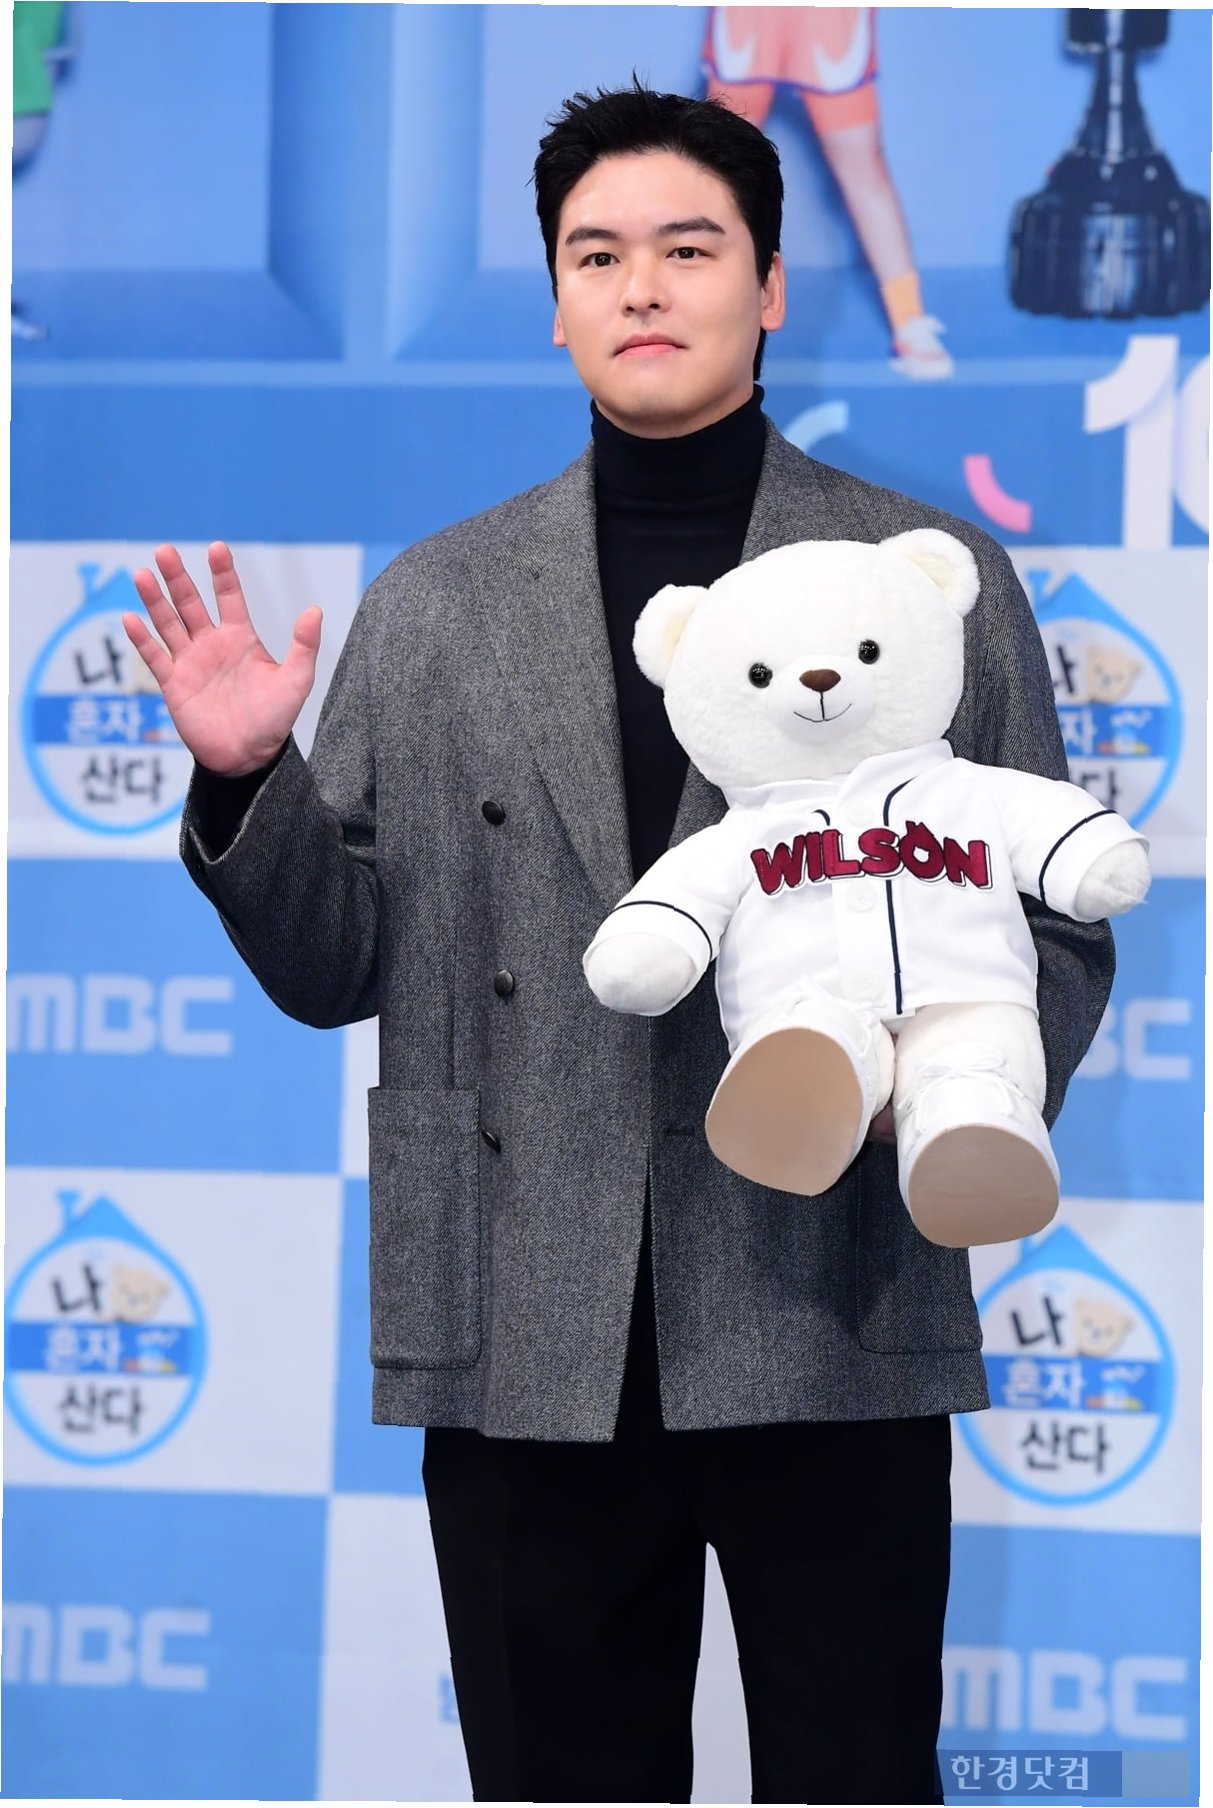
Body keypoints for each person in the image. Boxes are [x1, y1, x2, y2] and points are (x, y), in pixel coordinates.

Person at [122, 81, 1114, 1807]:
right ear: (556, 298)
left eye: (687, 247)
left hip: (830, 1292)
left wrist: (928, 1101)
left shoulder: (920, 577)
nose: (640, 286)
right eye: (596, 255)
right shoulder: (438, 601)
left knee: (855, 1776)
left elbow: (1048, 927)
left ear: (769, 285)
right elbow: (335, 964)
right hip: (527, 1315)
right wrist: (244, 781)